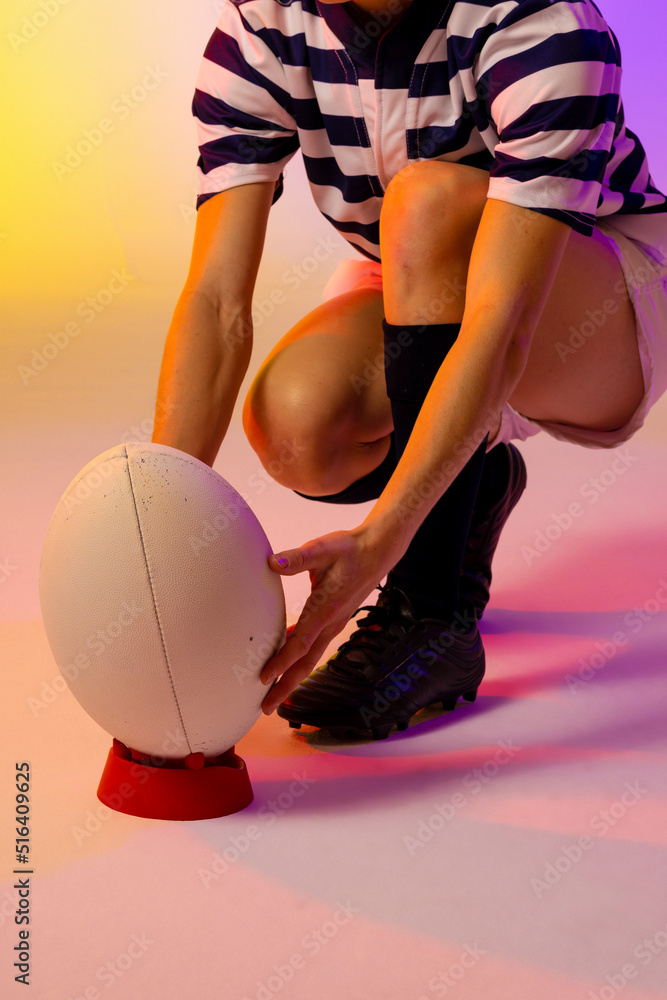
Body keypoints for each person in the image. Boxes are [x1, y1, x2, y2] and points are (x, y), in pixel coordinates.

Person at [152, 0, 667, 739]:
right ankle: (474, 484)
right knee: (299, 426)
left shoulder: (542, 26)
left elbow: (501, 325)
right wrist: (161, 530)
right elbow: (215, 299)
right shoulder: (262, 27)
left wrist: (382, 541)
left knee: (426, 200)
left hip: (602, 298)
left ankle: (429, 615)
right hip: (416, 283)